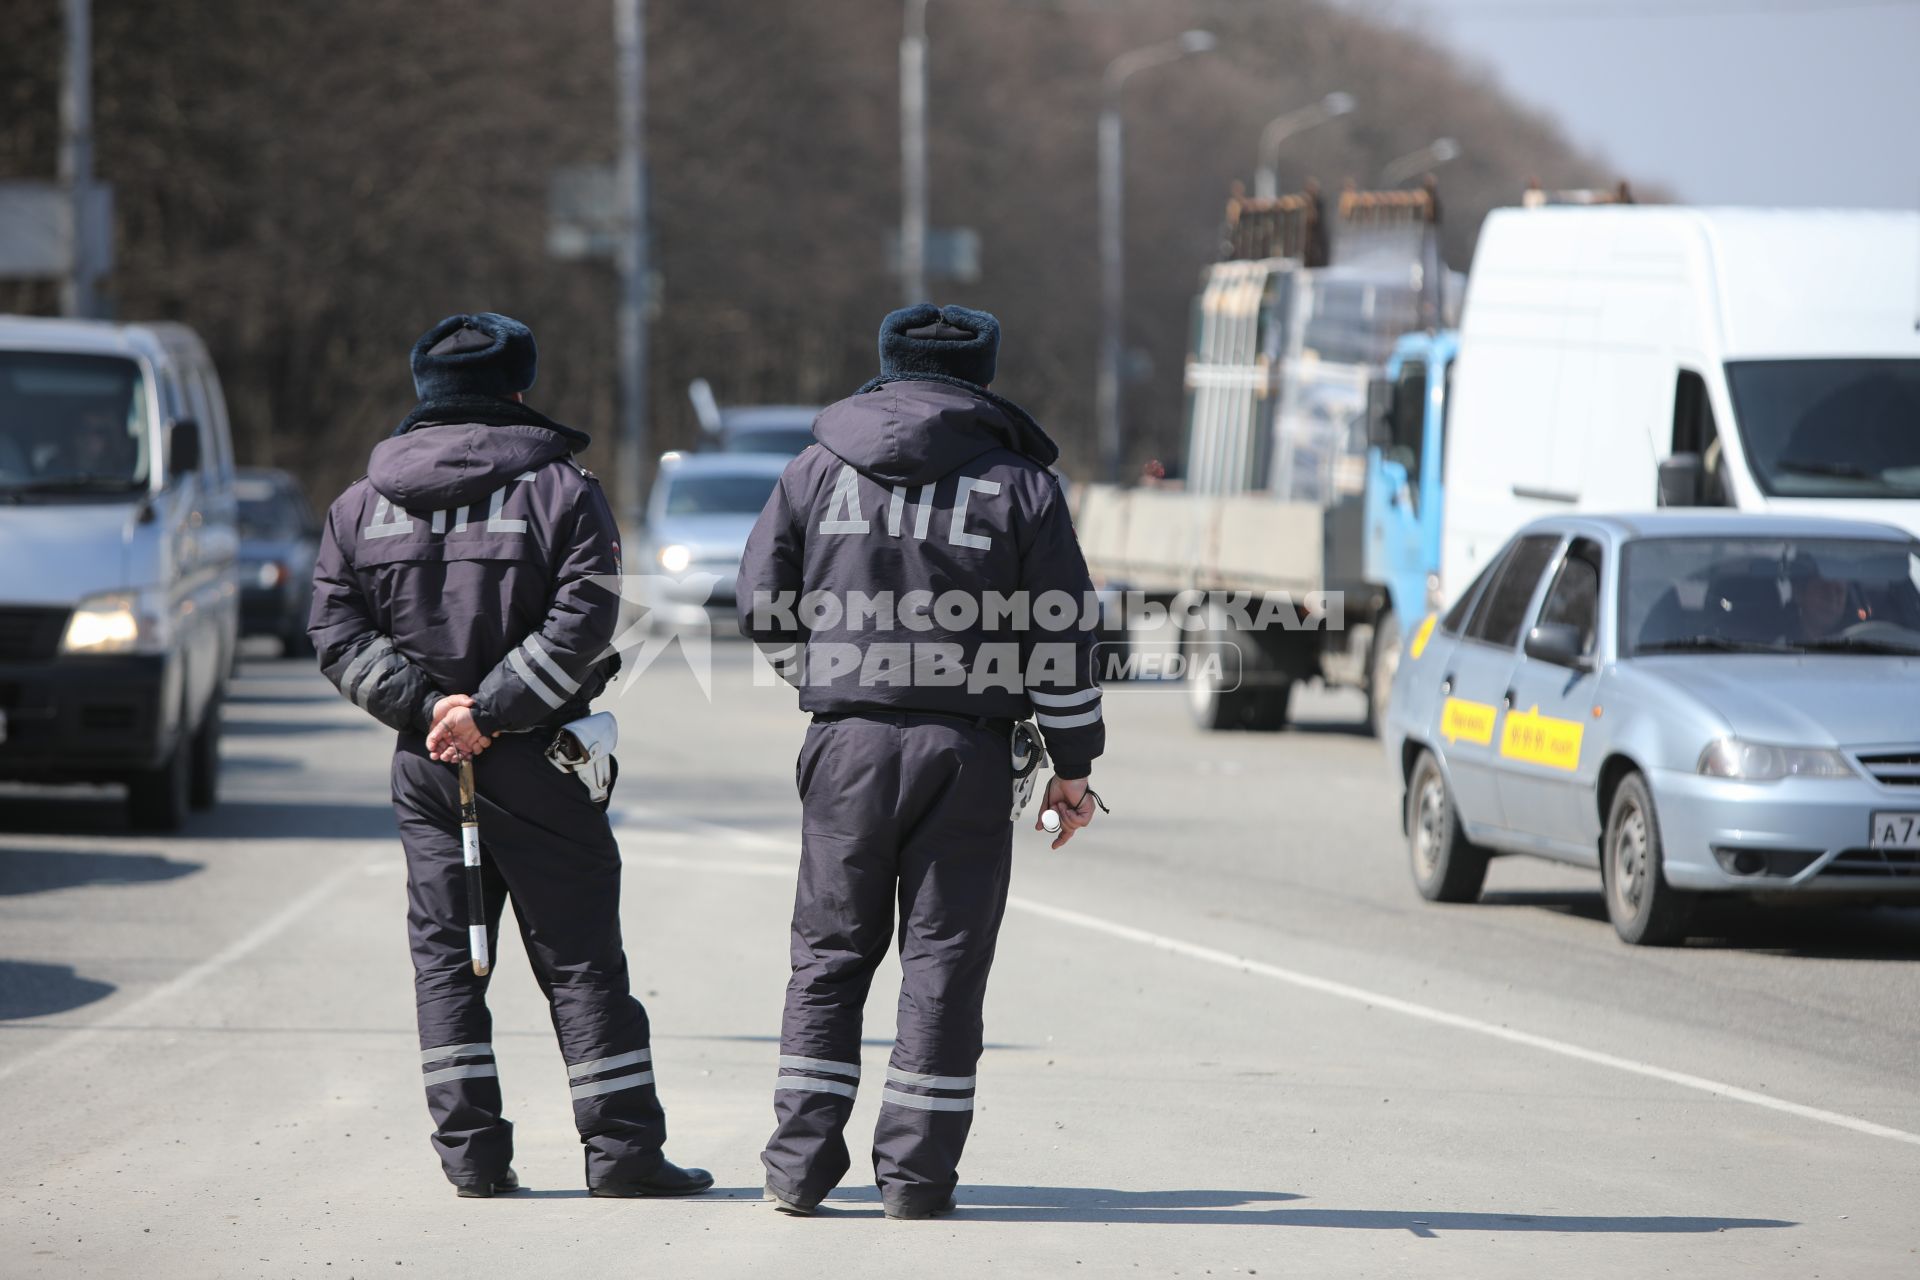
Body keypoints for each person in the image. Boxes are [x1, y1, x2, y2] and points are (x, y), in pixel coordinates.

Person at [309, 312, 710, 1200]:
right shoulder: (563, 491)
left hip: (425, 765)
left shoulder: (355, 505)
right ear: (519, 391)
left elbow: (335, 631)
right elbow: (583, 622)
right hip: (541, 762)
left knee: (447, 960)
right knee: (579, 959)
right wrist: (489, 713)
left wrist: (434, 713)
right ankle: (623, 1156)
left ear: (426, 393)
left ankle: (473, 1161)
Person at [738, 303, 1106, 1219]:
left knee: (827, 957)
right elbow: (1061, 635)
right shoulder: (1022, 484)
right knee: (942, 962)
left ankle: (797, 1170)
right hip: (967, 752)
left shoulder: (816, 468)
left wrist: (826, 675)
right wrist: (1072, 765)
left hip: (846, 745)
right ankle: (915, 1179)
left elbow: (758, 601)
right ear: (983, 375)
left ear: (885, 364)